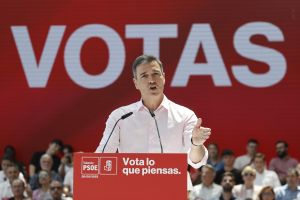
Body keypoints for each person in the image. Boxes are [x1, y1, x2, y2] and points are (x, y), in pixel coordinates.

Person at [95, 55, 211, 190]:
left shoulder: (185, 115)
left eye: (155, 74)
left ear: (163, 77)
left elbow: (196, 162)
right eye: (144, 76)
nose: (151, 80)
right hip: (132, 190)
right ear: (136, 83)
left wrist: (196, 143)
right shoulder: (120, 117)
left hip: (173, 190)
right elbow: (102, 158)